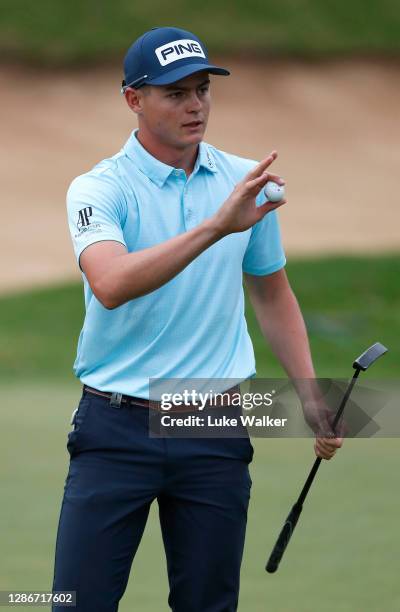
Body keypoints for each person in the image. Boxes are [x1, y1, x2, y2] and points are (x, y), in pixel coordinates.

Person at [52, 26, 342, 612]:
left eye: (202, 90)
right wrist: (216, 226)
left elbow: (271, 291)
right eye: (175, 93)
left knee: (208, 604)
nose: (195, 106)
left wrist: (309, 389)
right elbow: (109, 284)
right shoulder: (99, 187)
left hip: (212, 420)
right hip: (115, 425)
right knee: (75, 602)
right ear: (134, 99)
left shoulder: (245, 183)